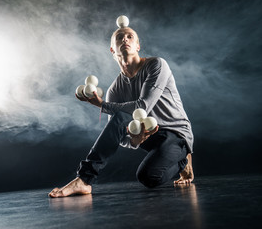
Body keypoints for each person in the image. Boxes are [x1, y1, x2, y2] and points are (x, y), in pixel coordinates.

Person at [48, 25, 194, 198]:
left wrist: (102, 105)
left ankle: (183, 159)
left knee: (148, 178)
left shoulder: (157, 65)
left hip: (176, 133)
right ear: (112, 49)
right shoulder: (115, 90)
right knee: (120, 117)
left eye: (130, 36)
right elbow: (120, 135)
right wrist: (134, 139)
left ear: (138, 46)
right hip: (149, 134)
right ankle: (84, 180)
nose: (125, 39)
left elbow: (143, 106)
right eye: (119, 37)